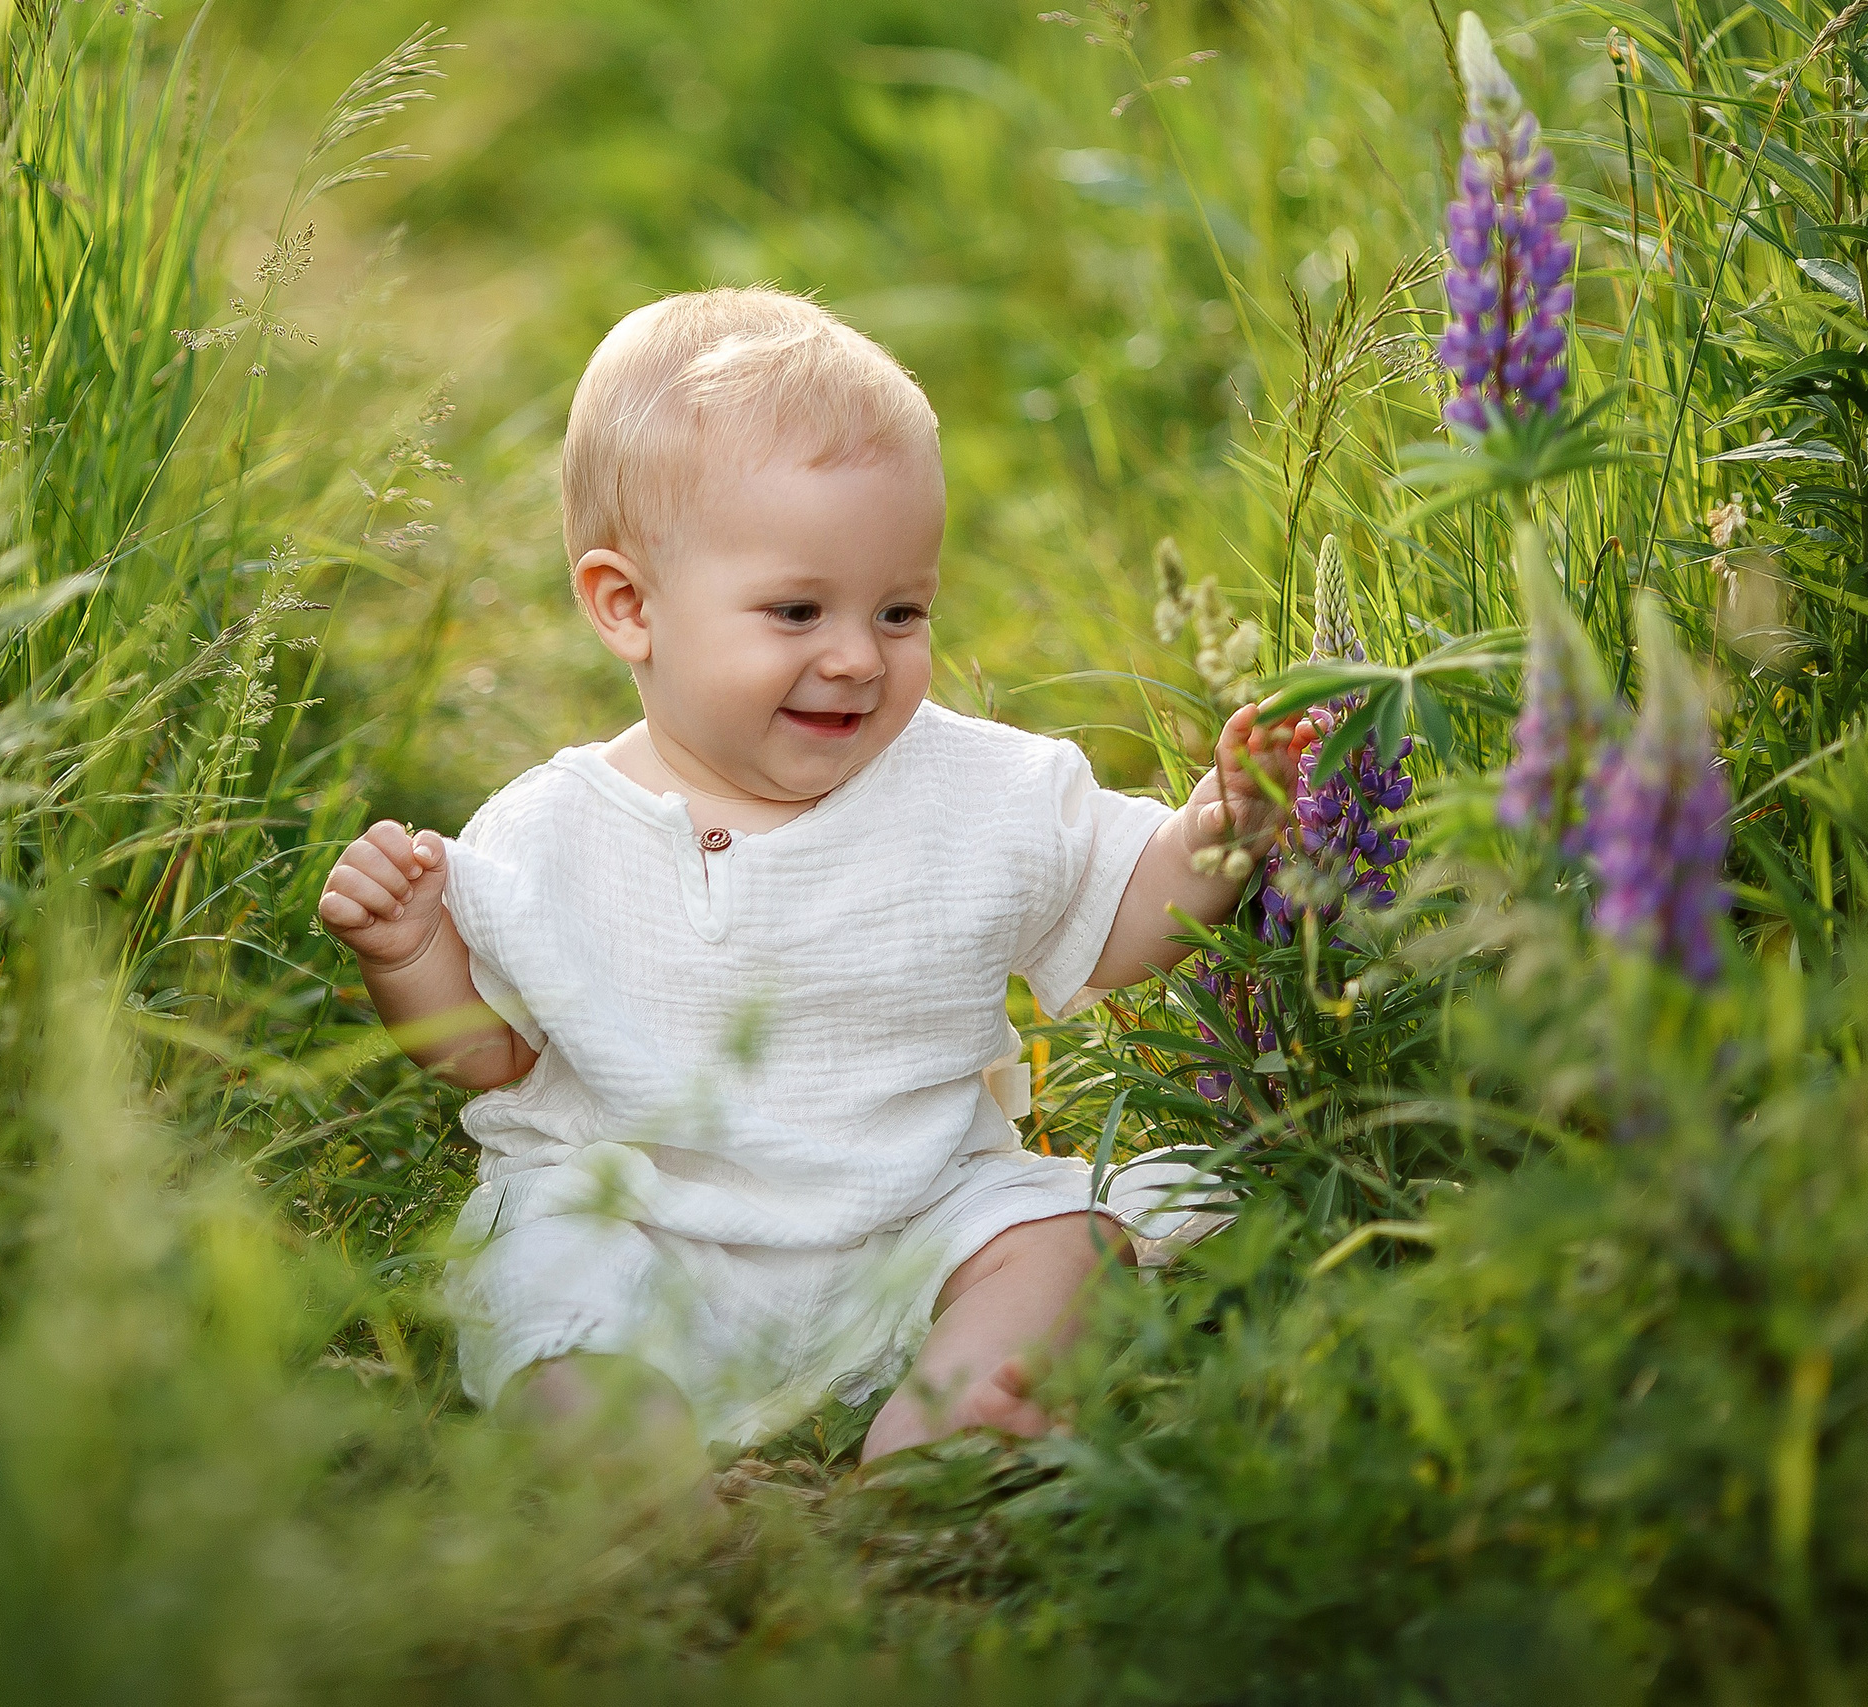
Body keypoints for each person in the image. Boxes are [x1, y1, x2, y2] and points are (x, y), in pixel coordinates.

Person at [315, 287, 1309, 1459]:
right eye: (796, 611)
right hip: (648, 1224)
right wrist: (412, 953)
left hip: (915, 1211)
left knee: (1055, 1236)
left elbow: (1121, 926)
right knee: (554, 1277)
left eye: (900, 611)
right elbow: (493, 1058)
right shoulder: (545, 832)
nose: (855, 658)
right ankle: (629, 1455)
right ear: (627, 607)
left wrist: (1220, 829)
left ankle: (947, 1418)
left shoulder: (979, 789)